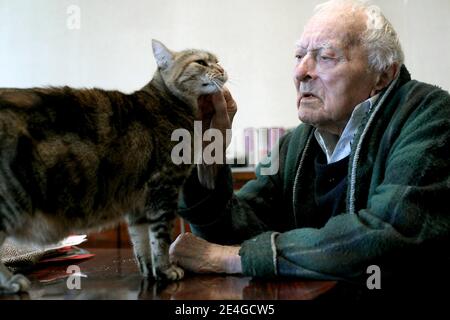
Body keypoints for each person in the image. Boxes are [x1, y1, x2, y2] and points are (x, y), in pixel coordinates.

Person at [169, 0, 450, 295]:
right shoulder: (296, 143)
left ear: (382, 74)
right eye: (299, 55)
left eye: (325, 56)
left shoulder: (430, 115)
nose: (301, 71)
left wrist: (232, 259)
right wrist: (207, 158)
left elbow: (388, 235)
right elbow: (236, 229)